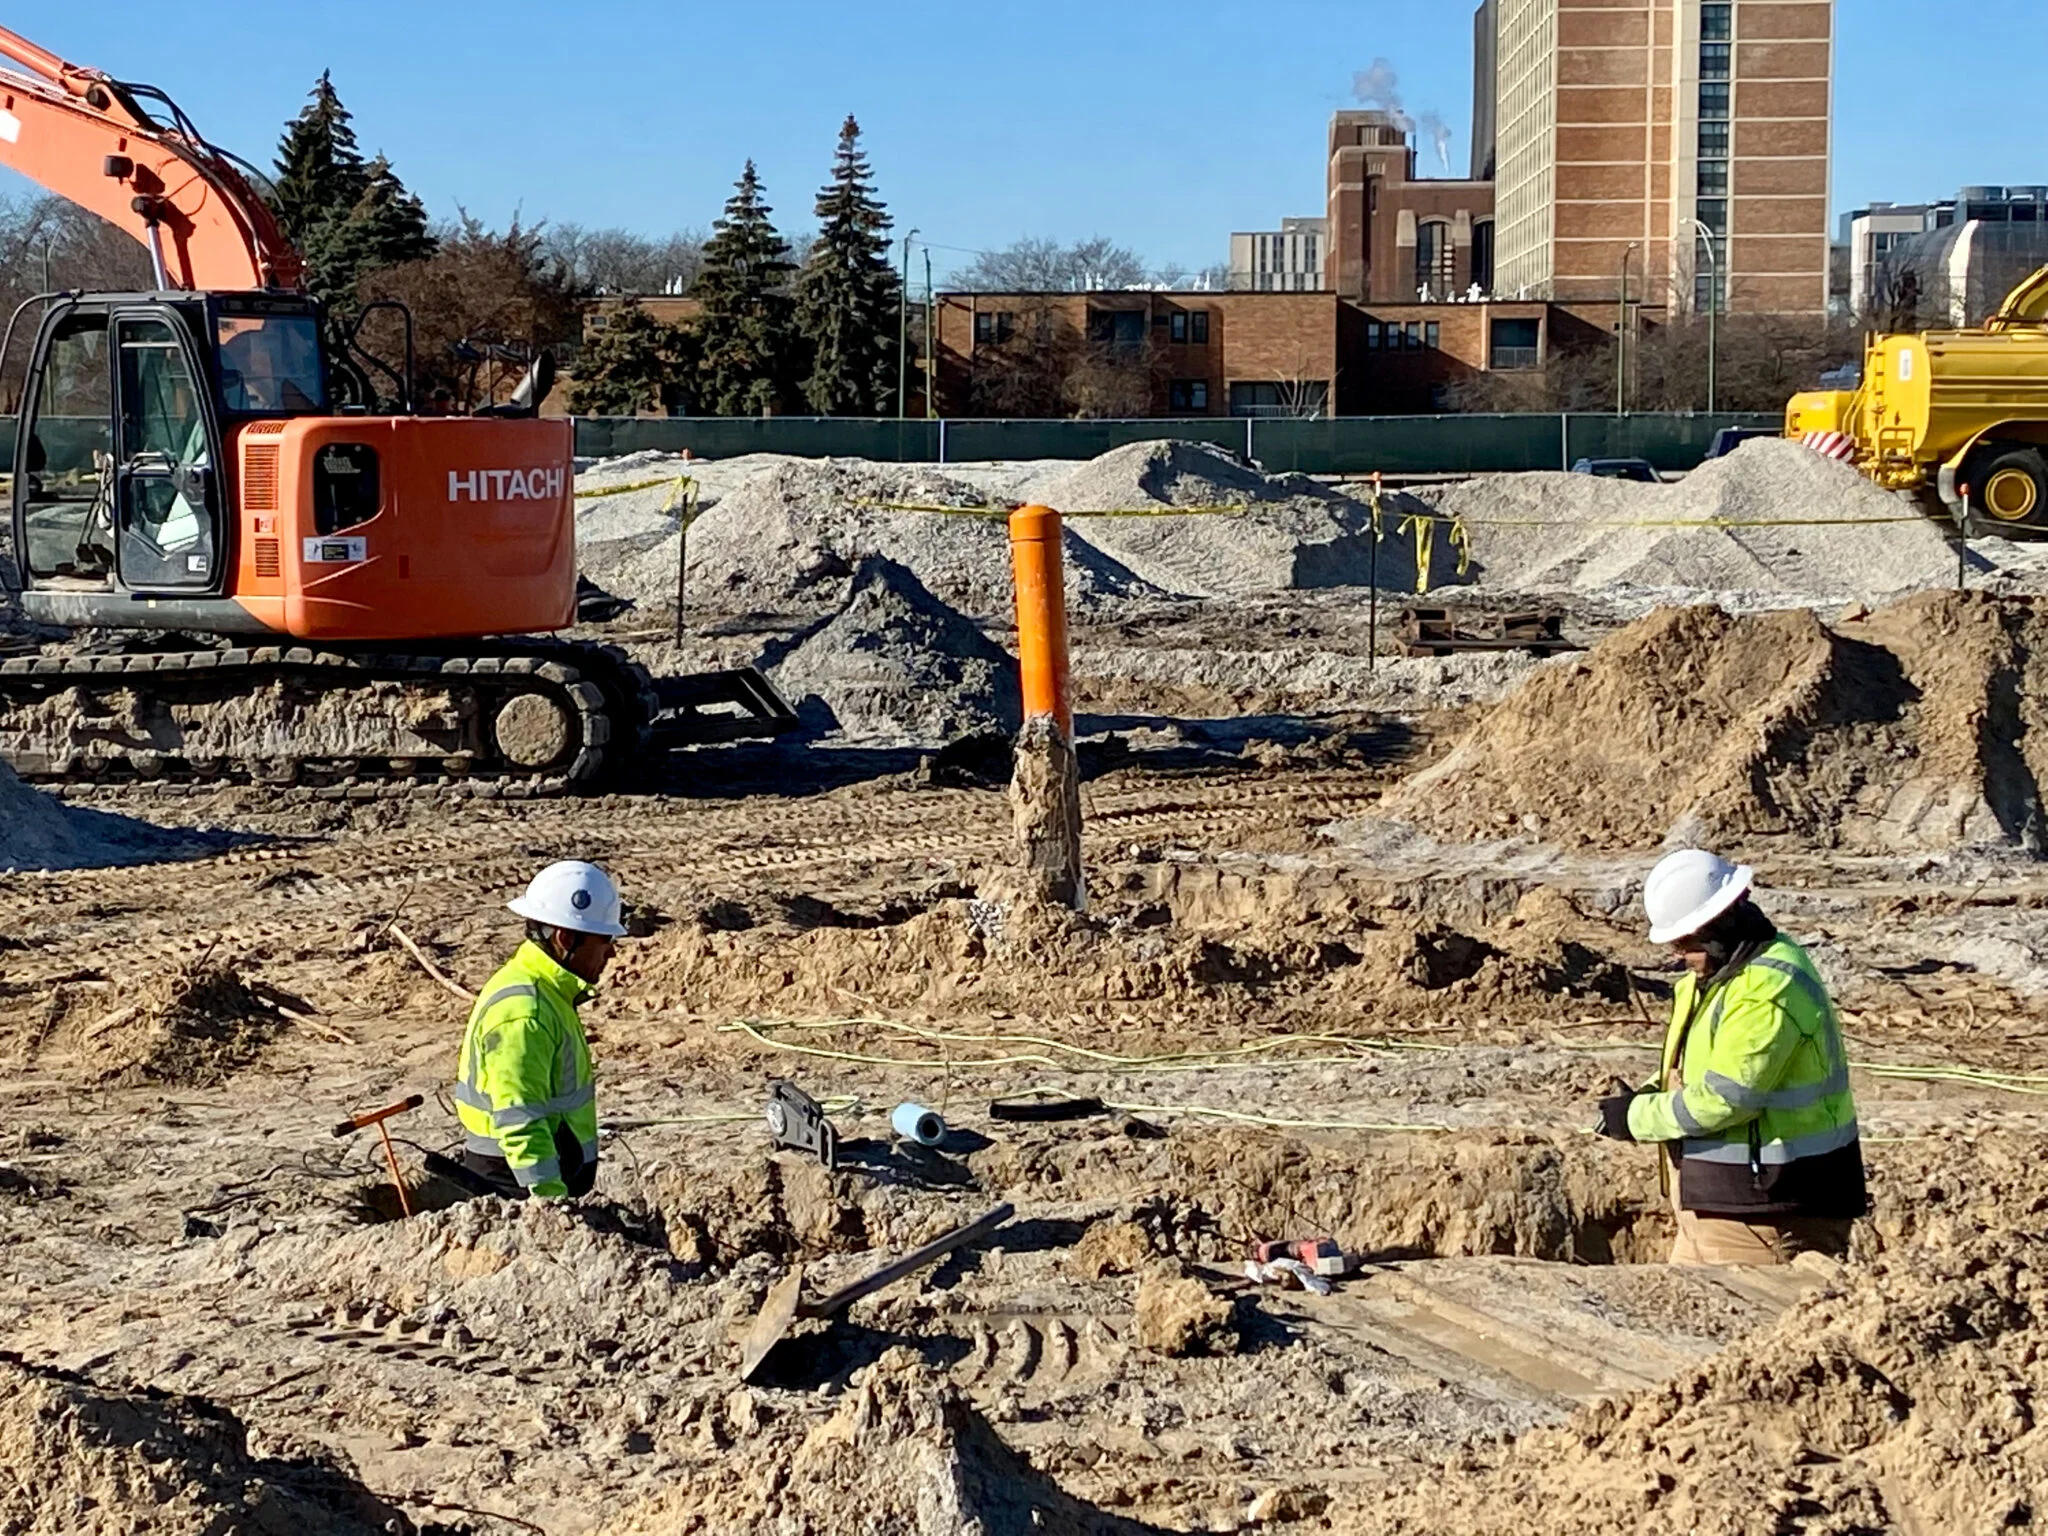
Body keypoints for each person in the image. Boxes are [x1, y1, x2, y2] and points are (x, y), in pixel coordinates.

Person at [1596, 849, 1866, 1266]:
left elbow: (1727, 1100)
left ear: (1719, 925)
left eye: (1684, 940)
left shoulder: (1767, 990)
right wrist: (1646, 1094)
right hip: (1717, 1203)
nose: (1677, 954)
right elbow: (1693, 1067)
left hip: (1768, 1212)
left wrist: (1636, 1119)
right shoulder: (1711, 979)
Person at [454, 861, 626, 1200]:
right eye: (604, 940)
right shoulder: (524, 1011)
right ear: (565, 937)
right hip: (516, 1184)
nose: (612, 952)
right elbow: (520, 1118)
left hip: (532, 1173)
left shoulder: (548, 992)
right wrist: (548, 1200)